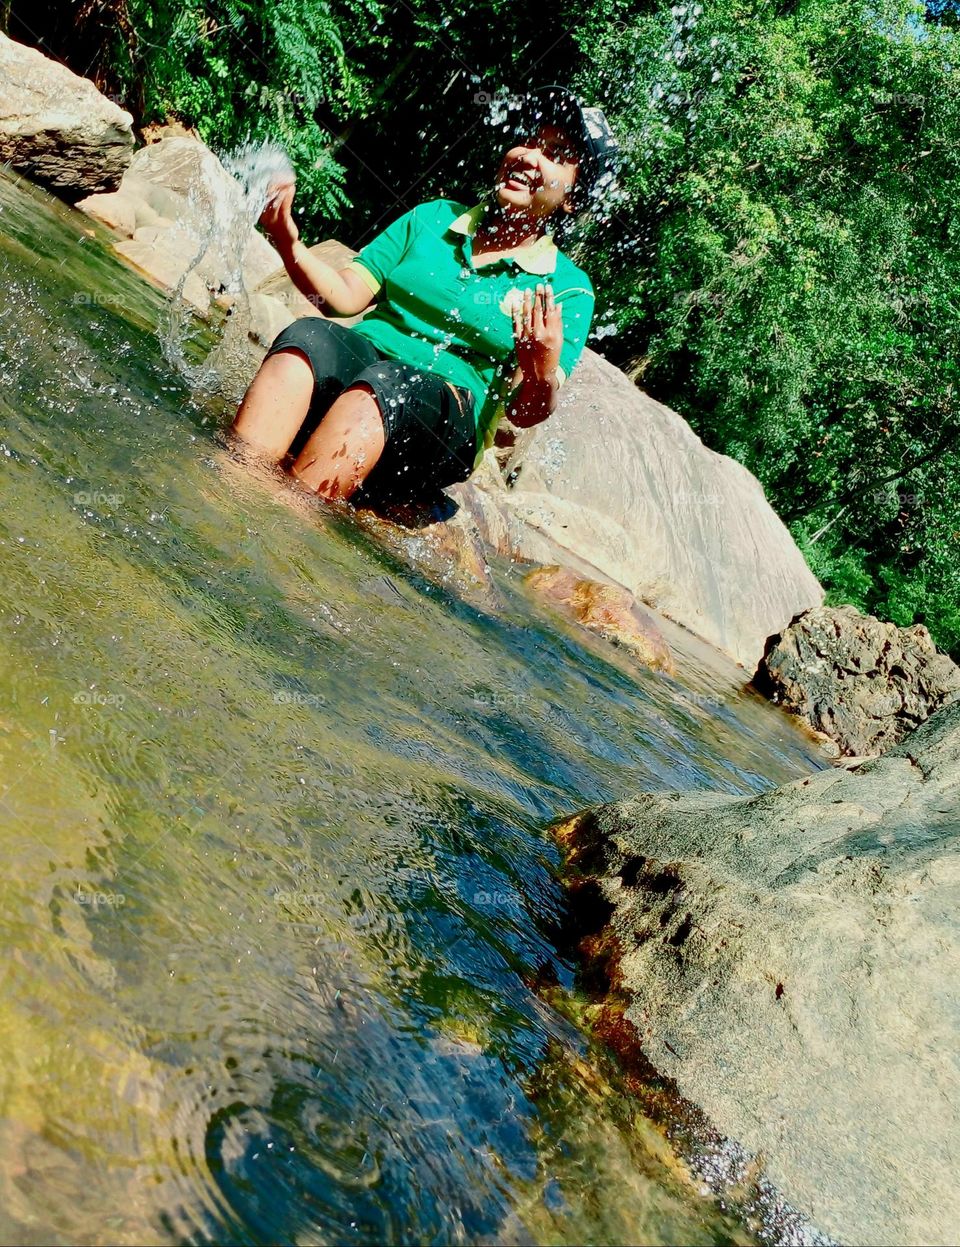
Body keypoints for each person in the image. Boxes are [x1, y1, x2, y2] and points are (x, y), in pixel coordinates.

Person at [231, 85, 618, 508]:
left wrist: (540, 371)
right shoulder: (434, 216)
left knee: (386, 387)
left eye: (556, 153)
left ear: (572, 199)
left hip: (444, 415)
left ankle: (284, 521)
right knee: (306, 338)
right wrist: (287, 240)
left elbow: (525, 414)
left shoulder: (567, 288)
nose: (528, 155)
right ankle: (230, 487)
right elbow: (341, 299)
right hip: (369, 365)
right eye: (527, 140)